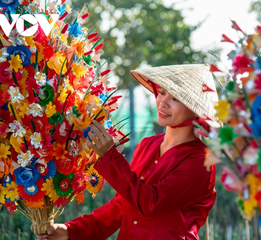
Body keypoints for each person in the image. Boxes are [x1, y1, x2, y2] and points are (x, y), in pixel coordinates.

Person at [35, 64, 221, 240]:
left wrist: (110, 155)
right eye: (162, 92)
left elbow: (150, 202)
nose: (163, 102)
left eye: (176, 98)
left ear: (196, 110)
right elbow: (122, 206)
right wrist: (72, 231)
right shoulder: (148, 144)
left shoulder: (201, 161)